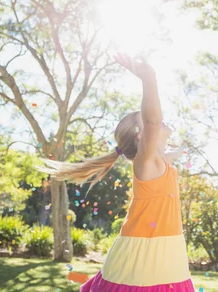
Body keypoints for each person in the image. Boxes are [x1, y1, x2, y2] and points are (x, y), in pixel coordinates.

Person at [40, 53, 195, 292]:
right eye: (146, 120)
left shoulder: (160, 161)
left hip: (165, 261)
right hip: (141, 266)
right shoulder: (146, 163)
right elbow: (154, 123)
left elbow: (167, 148)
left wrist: (180, 148)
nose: (156, 119)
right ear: (141, 138)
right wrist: (148, 78)